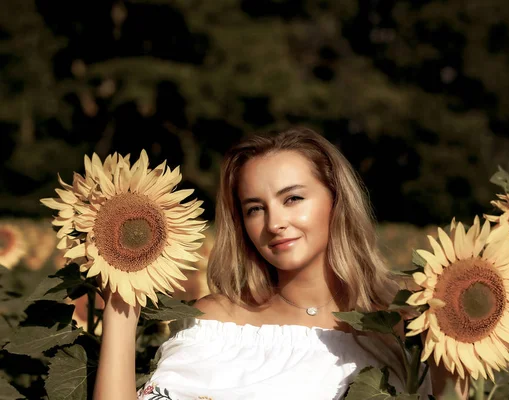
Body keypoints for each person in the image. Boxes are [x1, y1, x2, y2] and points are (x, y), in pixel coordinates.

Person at [93, 127, 462, 400]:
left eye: (293, 198)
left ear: (336, 200)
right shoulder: (214, 324)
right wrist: (120, 304)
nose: (274, 223)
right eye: (255, 208)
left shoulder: (408, 320)